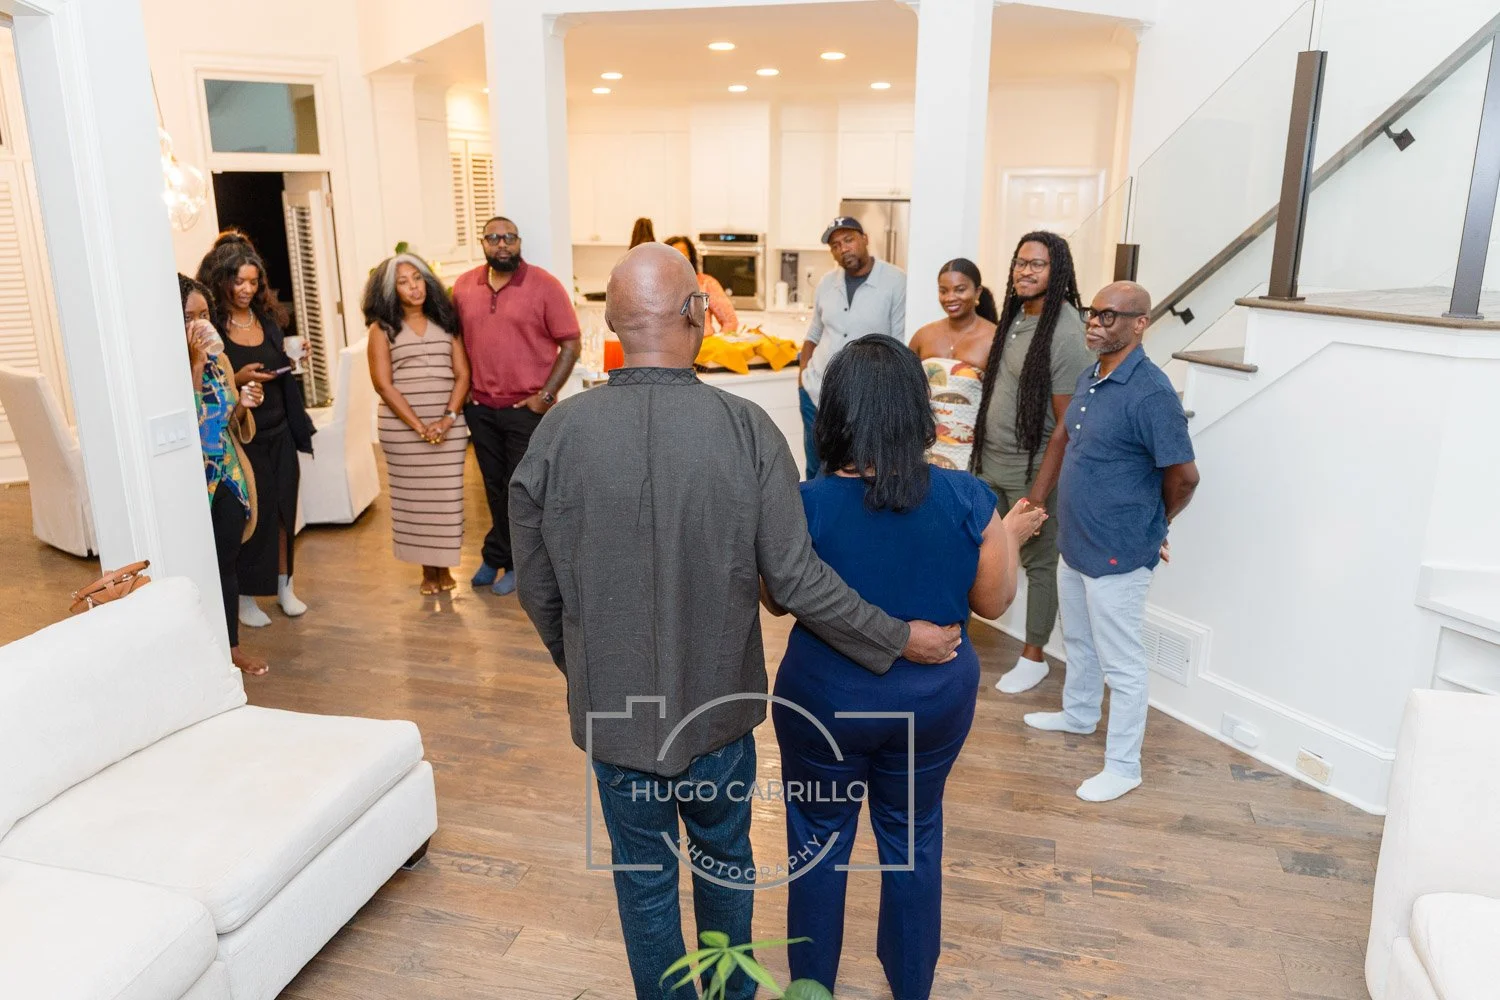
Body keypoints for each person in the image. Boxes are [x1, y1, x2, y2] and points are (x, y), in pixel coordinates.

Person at [508, 243, 964, 1000]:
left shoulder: (557, 434)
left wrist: (585, 659)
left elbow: (538, 585)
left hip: (616, 717)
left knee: (643, 880)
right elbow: (794, 579)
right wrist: (898, 637)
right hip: (717, 716)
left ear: (612, 322)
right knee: (725, 863)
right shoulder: (748, 429)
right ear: (695, 315)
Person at [767, 334, 1046, 999]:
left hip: (822, 703)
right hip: (930, 702)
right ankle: (911, 989)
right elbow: (993, 599)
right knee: (913, 839)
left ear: (836, 412)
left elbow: (777, 599)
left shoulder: (804, 504)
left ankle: (811, 989)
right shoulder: (968, 498)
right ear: (918, 411)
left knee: (817, 845)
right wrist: (1006, 536)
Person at [1023, 281, 1200, 803]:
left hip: (1120, 553)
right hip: (1075, 542)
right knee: (1076, 639)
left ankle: (1125, 767)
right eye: (1091, 314)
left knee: (1122, 663)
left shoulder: (1151, 394)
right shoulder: (1093, 374)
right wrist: (1035, 504)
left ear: (1140, 323)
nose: (1095, 324)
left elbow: (1185, 478)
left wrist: (1155, 526)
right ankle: (1078, 715)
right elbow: (1063, 439)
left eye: (1109, 316)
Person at [971, 231, 1095, 695]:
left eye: (1037, 264)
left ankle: (1034, 656)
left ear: (1057, 271)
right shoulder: (1018, 316)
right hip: (991, 463)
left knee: (1040, 564)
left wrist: (1038, 496)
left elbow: (1067, 426)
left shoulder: (1065, 331)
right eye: (1020, 262)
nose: (1025, 271)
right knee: (976, 546)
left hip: (1032, 471)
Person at [453, 216, 580, 596]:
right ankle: (497, 555)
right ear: (483, 243)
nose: (502, 244)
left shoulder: (544, 285)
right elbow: (455, 340)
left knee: (520, 491)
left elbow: (571, 343)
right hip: (480, 407)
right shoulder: (463, 286)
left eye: (509, 237)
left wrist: (544, 396)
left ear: (519, 241)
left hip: (526, 410)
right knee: (493, 489)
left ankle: (513, 564)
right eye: (493, 238)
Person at [207, 247, 317, 627]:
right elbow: (212, 381)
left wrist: (296, 356)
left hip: (280, 429)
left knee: (286, 512)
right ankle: (247, 595)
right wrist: (238, 381)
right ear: (222, 280)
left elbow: (281, 365)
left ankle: (285, 585)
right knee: (254, 516)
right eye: (239, 281)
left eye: (253, 282)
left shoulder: (269, 320)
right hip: (243, 436)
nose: (246, 289)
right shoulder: (215, 330)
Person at [363, 254, 471, 594]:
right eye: (404, 282)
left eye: (418, 279)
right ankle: (429, 572)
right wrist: (419, 426)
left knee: (446, 500)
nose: (414, 287)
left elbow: (463, 374)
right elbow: (383, 384)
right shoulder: (381, 330)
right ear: (390, 291)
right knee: (415, 502)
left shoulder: (446, 321)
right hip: (403, 431)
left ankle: (446, 566)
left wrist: (447, 418)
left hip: (449, 427)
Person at [180, 274, 268, 676]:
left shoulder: (221, 359)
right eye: (189, 317)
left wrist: (245, 401)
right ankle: (197, 651)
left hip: (228, 472)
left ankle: (231, 648)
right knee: (197, 567)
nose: (200, 324)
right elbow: (188, 422)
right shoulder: (165, 369)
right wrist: (195, 364)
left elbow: (226, 416)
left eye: (204, 314)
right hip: (193, 478)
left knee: (227, 561)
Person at [798, 215, 907, 479]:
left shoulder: (895, 281)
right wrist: (802, 378)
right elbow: (813, 333)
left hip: (864, 398)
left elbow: (899, 344)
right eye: (835, 245)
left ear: (865, 239)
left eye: (848, 240)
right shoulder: (826, 283)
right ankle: (814, 521)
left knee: (858, 474)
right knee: (816, 469)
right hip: (817, 393)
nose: (843, 248)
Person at [909, 258, 999, 471]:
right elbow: (904, 387)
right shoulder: (924, 335)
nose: (950, 298)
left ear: (977, 293)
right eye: (943, 290)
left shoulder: (994, 337)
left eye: (960, 290)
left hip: (972, 450)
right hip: (925, 446)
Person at [664, 234, 739, 334]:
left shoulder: (706, 283)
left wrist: (715, 346)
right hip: (669, 348)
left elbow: (730, 321)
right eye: (674, 257)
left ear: (691, 258)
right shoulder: (657, 286)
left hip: (704, 346)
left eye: (684, 256)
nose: (679, 261)